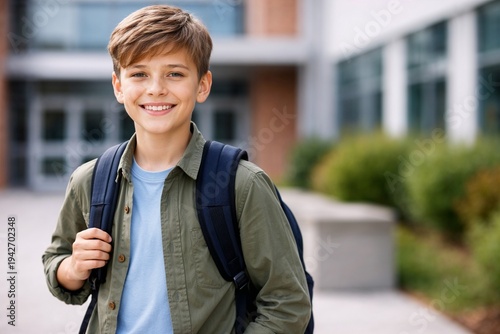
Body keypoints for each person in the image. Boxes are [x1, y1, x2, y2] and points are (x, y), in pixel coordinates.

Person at [42, 4, 311, 333]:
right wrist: (72, 268)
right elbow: (56, 261)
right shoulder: (90, 180)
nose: (156, 88)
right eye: (139, 73)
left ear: (202, 85)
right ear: (118, 86)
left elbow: (288, 303)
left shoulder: (242, 185)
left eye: (175, 73)